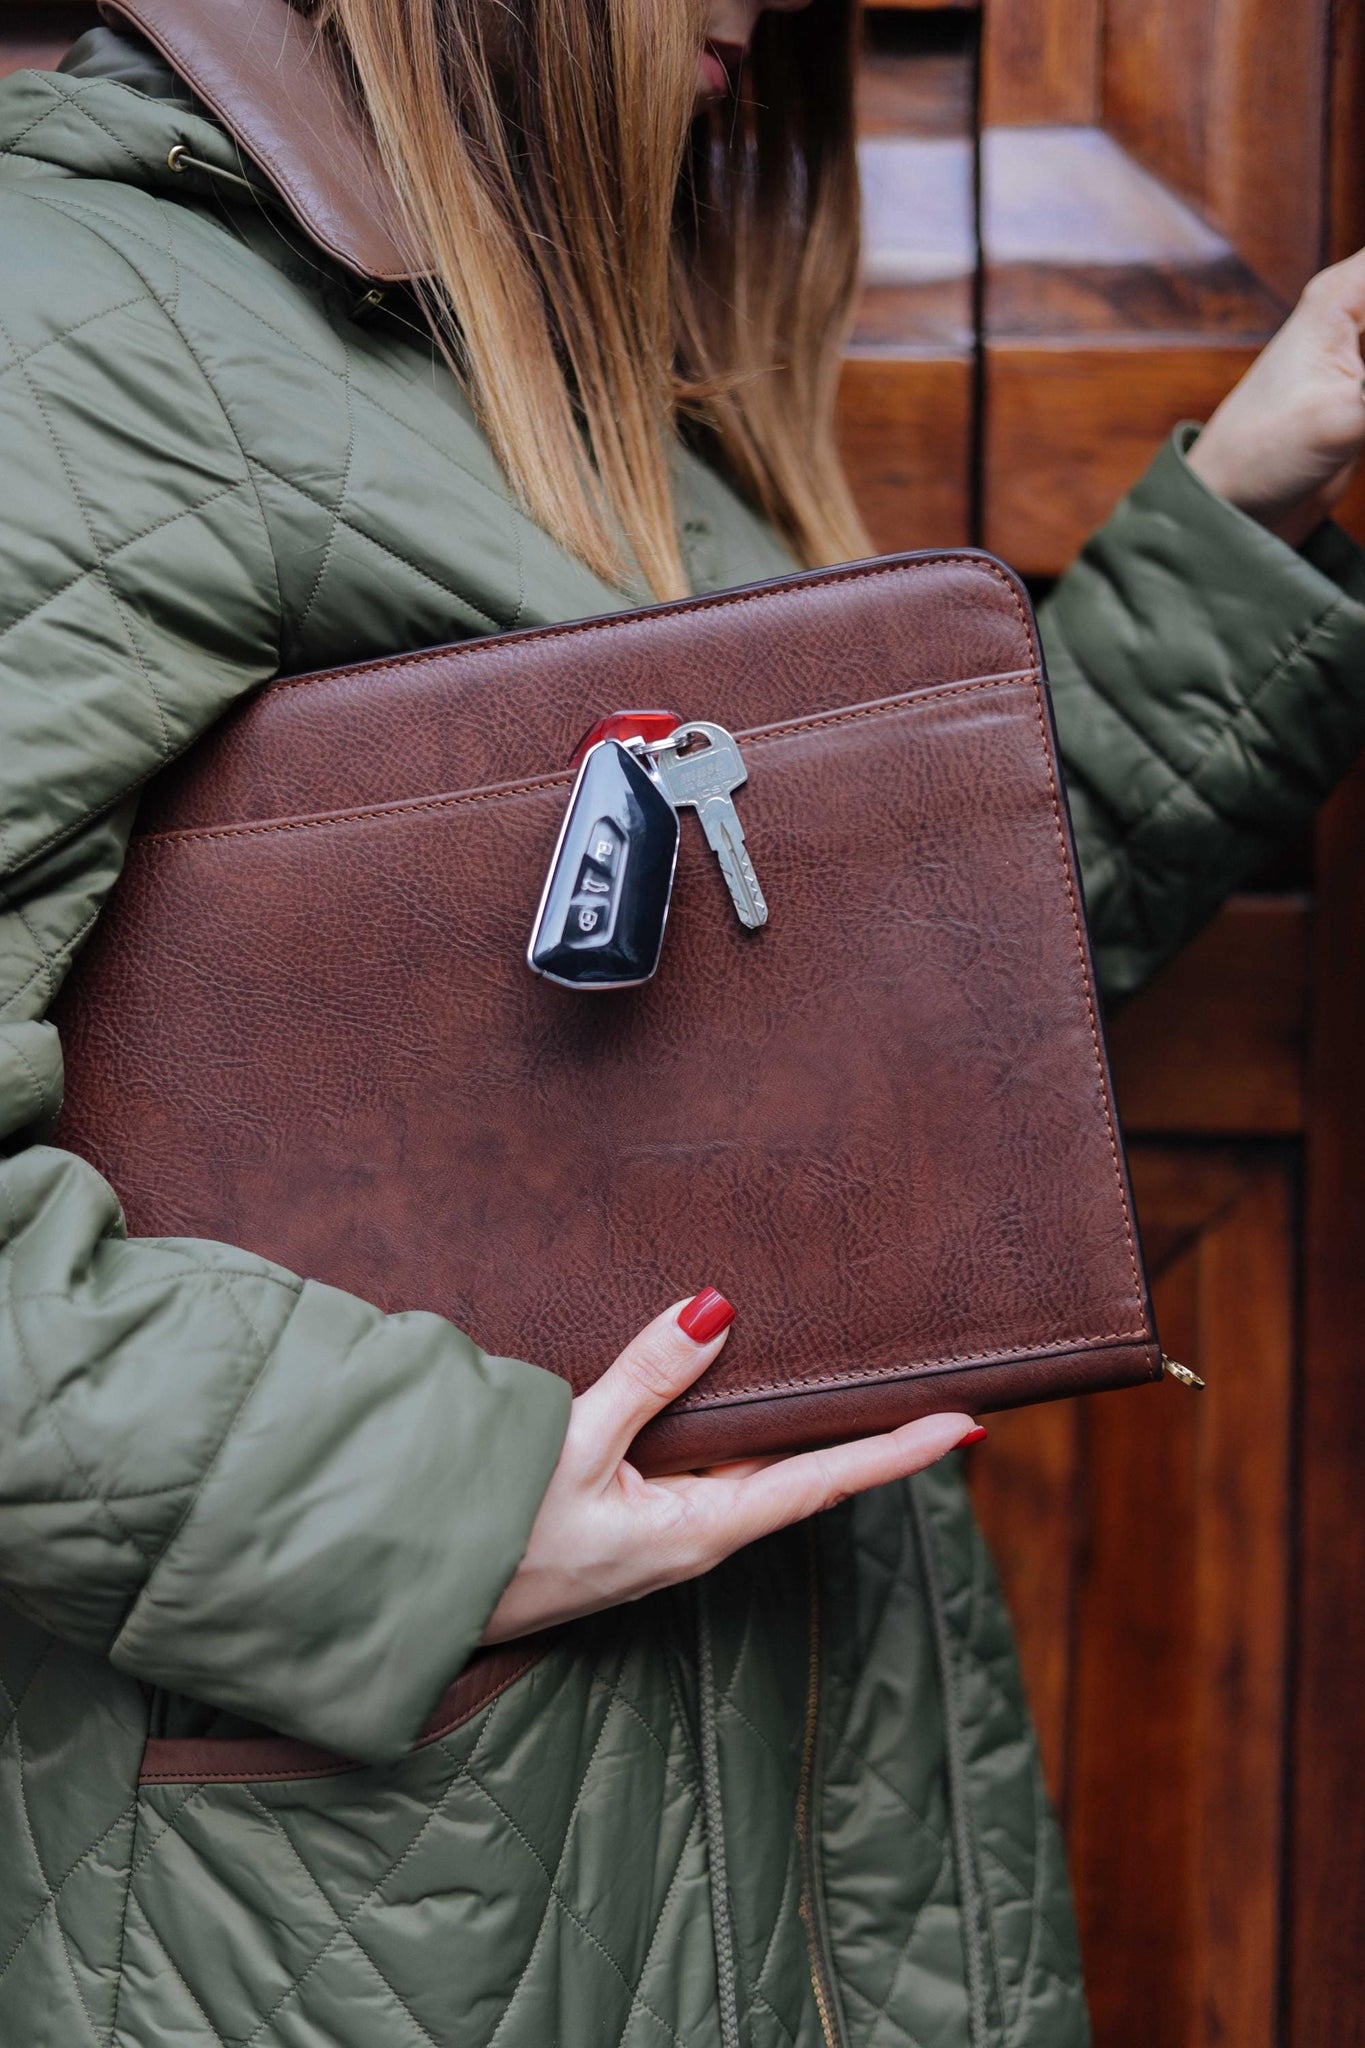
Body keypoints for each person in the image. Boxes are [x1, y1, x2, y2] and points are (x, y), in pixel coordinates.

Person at [2, 2, 1364, 2041]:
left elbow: (855, 1021)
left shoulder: (547, 346)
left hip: (789, 1794)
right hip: (402, 1884)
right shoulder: (76, 317)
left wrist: (1252, 487)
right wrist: (438, 1506)